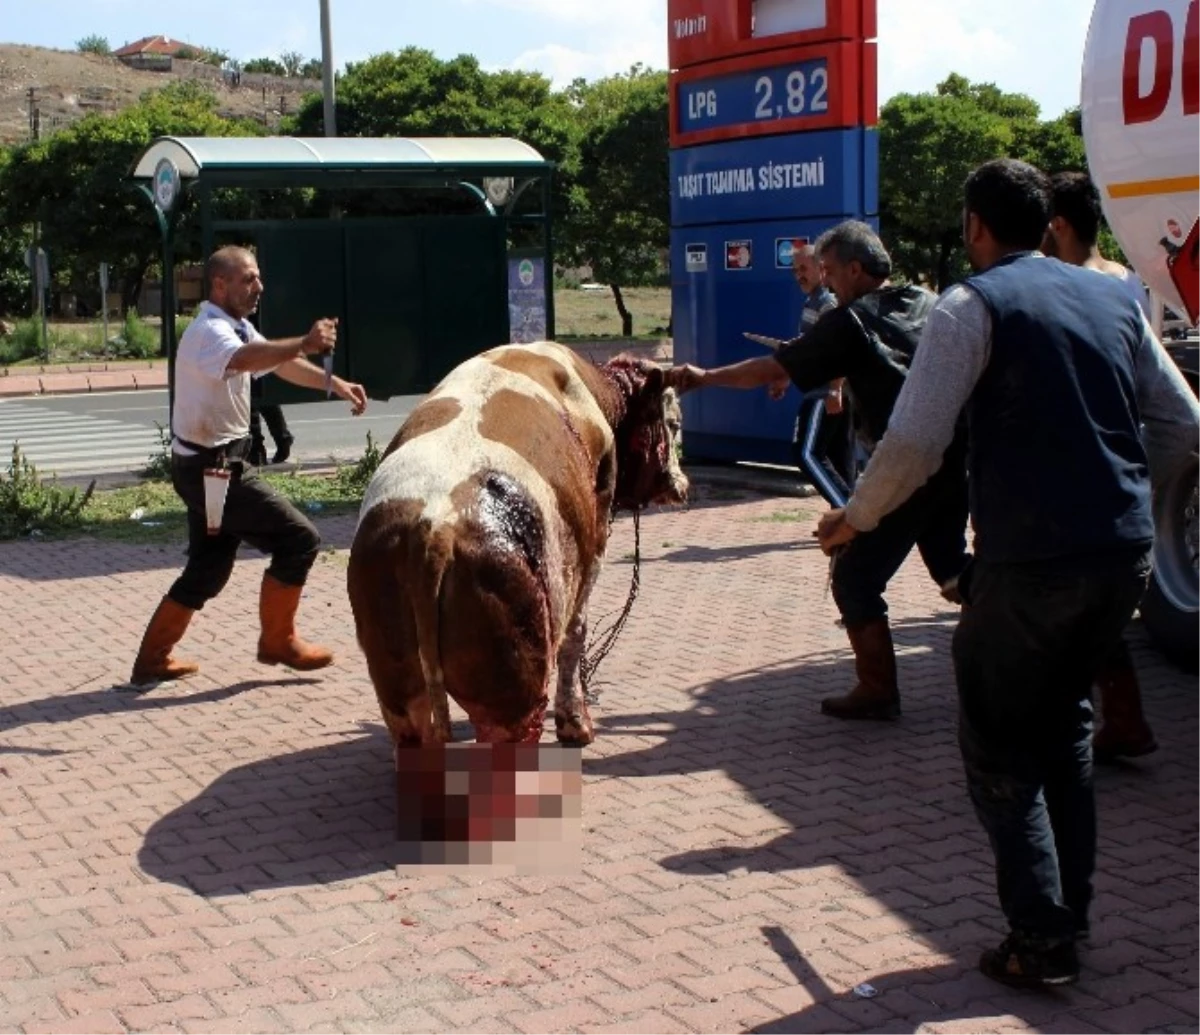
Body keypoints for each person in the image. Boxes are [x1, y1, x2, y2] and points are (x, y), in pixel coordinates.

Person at [817, 159, 1200, 988]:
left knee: (999, 742)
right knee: (1063, 728)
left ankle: (1040, 937)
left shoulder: (970, 305)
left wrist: (856, 518)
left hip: (1031, 564)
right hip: (1122, 558)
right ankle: (1071, 917)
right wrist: (1124, 493)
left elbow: (915, 442)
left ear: (976, 227)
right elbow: (1183, 422)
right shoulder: (1117, 298)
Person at [673, 221, 971, 720]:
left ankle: (878, 690)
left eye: (830, 271)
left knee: (854, 576)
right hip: (953, 456)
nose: (826, 282)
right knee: (951, 569)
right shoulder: (924, 300)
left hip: (904, 466)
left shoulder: (848, 319)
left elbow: (771, 369)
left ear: (856, 269)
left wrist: (702, 378)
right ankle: (1031, 618)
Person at [129, 245, 368, 687]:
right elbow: (244, 360)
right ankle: (279, 640)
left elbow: (278, 362)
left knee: (209, 567)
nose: (258, 287)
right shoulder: (210, 332)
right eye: (248, 279)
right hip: (213, 469)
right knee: (299, 538)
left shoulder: (235, 325)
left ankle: (152, 660)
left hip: (210, 468)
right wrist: (307, 340)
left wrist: (333, 382)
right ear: (219, 284)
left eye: (258, 277)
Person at [1044, 170, 1157, 762]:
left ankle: (1073, 733)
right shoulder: (1126, 280)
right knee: (1101, 609)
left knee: (1065, 606)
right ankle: (1126, 720)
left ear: (1057, 225)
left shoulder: (1069, 289)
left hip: (1080, 458)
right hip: (1127, 456)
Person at [778, 242, 851, 506]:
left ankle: (847, 511)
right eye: (795, 270)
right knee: (839, 456)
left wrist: (835, 389)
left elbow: (842, 348)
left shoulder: (828, 303)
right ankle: (847, 517)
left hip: (825, 391)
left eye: (804, 268)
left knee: (806, 453)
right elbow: (810, 346)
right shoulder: (813, 301)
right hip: (822, 388)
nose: (799, 275)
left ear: (821, 269)